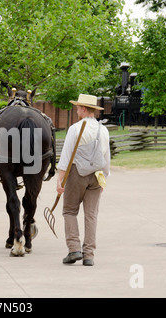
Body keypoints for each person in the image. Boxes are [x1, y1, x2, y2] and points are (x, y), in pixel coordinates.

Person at [56, 94, 110, 266]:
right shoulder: (104, 130)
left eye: (78, 107)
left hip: (77, 174)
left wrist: (60, 179)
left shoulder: (75, 128)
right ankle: (89, 255)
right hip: (96, 175)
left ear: (84, 109)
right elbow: (106, 157)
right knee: (91, 215)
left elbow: (65, 157)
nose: (77, 110)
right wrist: (104, 179)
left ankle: (74, 249)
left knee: (69, 211)